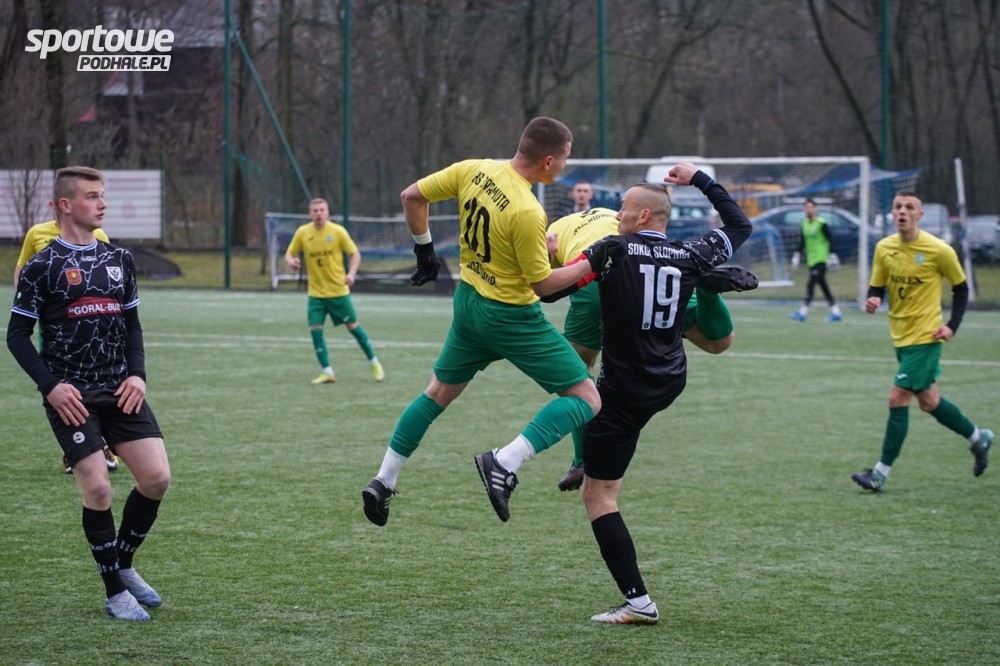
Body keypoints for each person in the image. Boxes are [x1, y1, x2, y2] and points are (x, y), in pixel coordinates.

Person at [361, 116, 623, 526]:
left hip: (468, 304)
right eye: (565, 159)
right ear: (549, 161)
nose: (565, 167)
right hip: (512, 318)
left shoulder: (474, 168)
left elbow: (411, 196)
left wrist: (424, 250)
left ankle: (383, 479)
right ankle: (504, 461)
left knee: (435, 394)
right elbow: (543, 286)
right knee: (588, 399)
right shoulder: (527, 211)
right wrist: (592, 260)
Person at [579, 163, 752, 625]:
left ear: (641, 216)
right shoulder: (689, 252)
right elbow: (739, 225)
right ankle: (581, 459)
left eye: (622, 208)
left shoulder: (615, 248)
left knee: (599, 494)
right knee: (599, 439)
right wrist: (700, 179)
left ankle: (638, 602)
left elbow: (558, 285)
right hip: (668, 378)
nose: (616, 214)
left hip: (625, 386)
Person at [7, 166, 171, 621]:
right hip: (71, 395)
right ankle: (115, 592)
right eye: (93, 196)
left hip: (120, 387)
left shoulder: (119, 259)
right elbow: (17, 336)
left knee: (156, 478)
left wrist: (138, 376)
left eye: (103, 195)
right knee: (98, 487)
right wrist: (51, 387)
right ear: (66, 205)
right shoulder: (41, 266)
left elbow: (133, 325)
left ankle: (123, 564)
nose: (103, 204)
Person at [544, 207, 757, 491]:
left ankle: (581, 460)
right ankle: (707, 291)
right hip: (660, 268)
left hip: (597, 276)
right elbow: (738, 227)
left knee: (578, 376)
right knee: (719, 342)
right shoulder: (624, 215)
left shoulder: (554, 231)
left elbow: (547, 282)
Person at [851, 190, 993, 492]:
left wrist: (952, 327)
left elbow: (961, 288)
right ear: (892, 213)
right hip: (900, 336)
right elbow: (877, 287)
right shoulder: (884, 248)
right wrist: (873, 300)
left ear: (919, 215)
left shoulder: (939, 250)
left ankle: (879, 473)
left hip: (926, 336)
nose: (902, 211)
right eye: (898, 206)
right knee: (930, 402)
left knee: (897, 398)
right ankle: (978, 438)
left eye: (909, 207)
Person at [15, 214, 120, 474]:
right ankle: (71, 450)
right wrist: (27, 302)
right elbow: (22, 270)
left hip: (90, 324)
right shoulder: (36, 233)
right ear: (60, 204)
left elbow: (105, 276)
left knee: (95, 381)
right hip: (54, 323)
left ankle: (102, 443)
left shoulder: (99, 236)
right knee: (61, 379)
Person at [284, 198, 384, 384]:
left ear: (328, 212)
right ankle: (327, 371)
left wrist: (351, 274)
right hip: (315, 294)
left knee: (353, 327)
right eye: (315, 210)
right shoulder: (303, 232)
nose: (319, 214)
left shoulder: (338, 232)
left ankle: (374, 362)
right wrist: (291, 262)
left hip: (338, 291)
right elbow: (289, 253)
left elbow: (355, 254)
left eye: (322, 210)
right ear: (310, 213)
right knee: (315, 330)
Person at [788, 198, 842, 322]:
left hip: (821, 258)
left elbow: (830, 239)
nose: (808, 209)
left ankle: (803, 312)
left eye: (811, 207)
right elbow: (802, 241)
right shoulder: (804, 224)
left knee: (811, 284)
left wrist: (832, 254)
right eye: (806, 207)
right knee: (822, 285)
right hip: (811, 259)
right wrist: (797, 254)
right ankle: (836, 312)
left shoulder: (821, 223)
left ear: (815, 209)